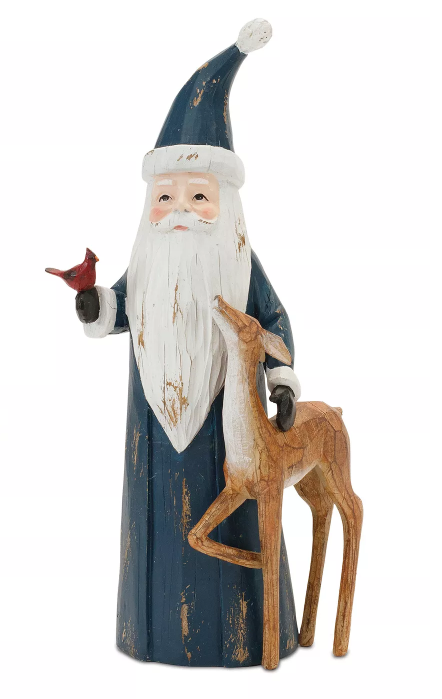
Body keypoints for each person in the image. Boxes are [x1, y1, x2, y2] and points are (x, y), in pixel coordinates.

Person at [76, 19, 302, 667]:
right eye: (166, 195)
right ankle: (149, 630)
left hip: (232, 439)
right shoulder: (148, 265)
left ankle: (243, 634)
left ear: (226, 206)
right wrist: (94, 303)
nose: (179, 209)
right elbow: (117, 308)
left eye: (199, 195)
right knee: (154, 530)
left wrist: (283, 383)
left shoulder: (241, 265)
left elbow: (274, 321)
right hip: (151, 436)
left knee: (235, 519)